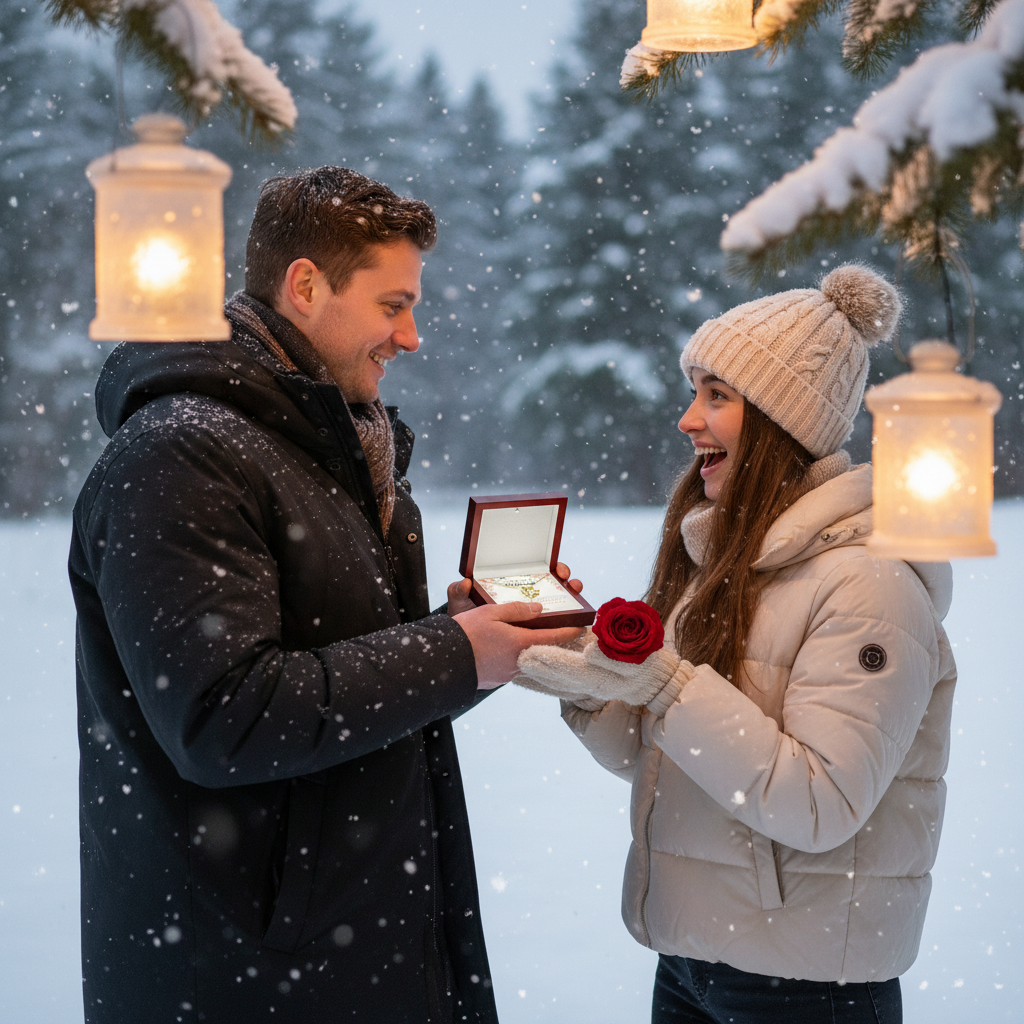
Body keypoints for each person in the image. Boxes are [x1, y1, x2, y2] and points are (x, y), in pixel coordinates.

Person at [69, 166, 581, 1024]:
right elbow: (224, 717)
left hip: (358, 940)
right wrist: (452, 652)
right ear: (304, 286)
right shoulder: (181, 456)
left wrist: (472, 640)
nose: (412, 336)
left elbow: (343, 680)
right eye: (392, 305)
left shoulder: (344, 455)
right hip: (241, 975)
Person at [517, 264, 957, 1024]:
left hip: (806, 988)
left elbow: (820, 803)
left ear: (785, 421)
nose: (688, 420)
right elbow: (667, 760)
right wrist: (598, 687)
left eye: (716, 396)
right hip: (692, 963)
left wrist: (668, 688)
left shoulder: (868, 587)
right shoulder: (726, 565)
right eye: (695, 393)